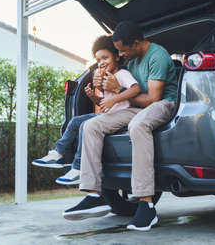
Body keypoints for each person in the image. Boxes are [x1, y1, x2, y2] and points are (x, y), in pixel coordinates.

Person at [63, 21, 177, 232]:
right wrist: (102, 86)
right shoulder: (131, 62)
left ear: (136, 43)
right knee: (90, 126)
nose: (121, 55)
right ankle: (94, 194)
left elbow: (153, 99)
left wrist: (117, 88)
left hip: (163, 104)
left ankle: (146, 204)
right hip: (136, 106)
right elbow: (123, 95)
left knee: (138, 126)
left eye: (123, 50)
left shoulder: (157, 55)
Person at [32, 35, 139, 186]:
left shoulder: (122, 74)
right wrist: (92, 97)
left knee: (84, 126)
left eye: (105, 57)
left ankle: (78, 167)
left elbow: (136, 89)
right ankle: (58, 153)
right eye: (99, 60)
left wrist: (115, 97)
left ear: (116, 56)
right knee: (76, 121)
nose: (101, 63)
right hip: (107, 115)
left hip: (121, 116)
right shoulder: (103, 78)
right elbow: (103, 104)